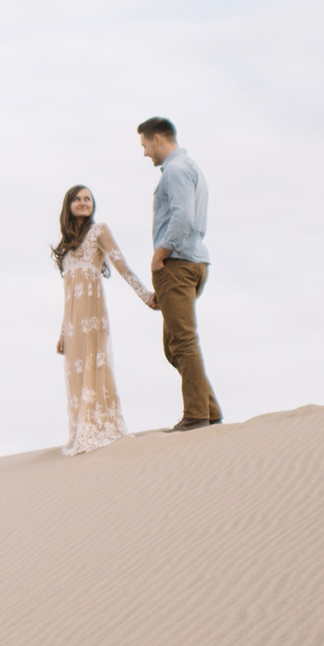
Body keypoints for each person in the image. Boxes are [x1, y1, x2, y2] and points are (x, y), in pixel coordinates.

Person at [51, 184, 153, 455]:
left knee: (94, 369)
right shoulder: (66, 247)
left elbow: (121, 266)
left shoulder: (100, 231)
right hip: (73, 324)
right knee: (76, 375)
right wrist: (63, 332)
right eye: (78, 199)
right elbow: (68, 295)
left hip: (93, 317)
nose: (84, 202)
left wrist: (146, 295)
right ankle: (80, 430)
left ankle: (98, 427)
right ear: (69, 205)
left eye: (88, 199)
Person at [137, 118, 221, 430]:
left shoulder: (174, 170)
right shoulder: (189, 167)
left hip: (178, 263)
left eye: (145, 145)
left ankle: (197, 415)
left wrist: (160, 255)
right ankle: (209, 411)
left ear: (158, 139)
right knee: (175, 345)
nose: (145, 153)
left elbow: (182, 215)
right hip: (190, 263)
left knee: (182, 341)